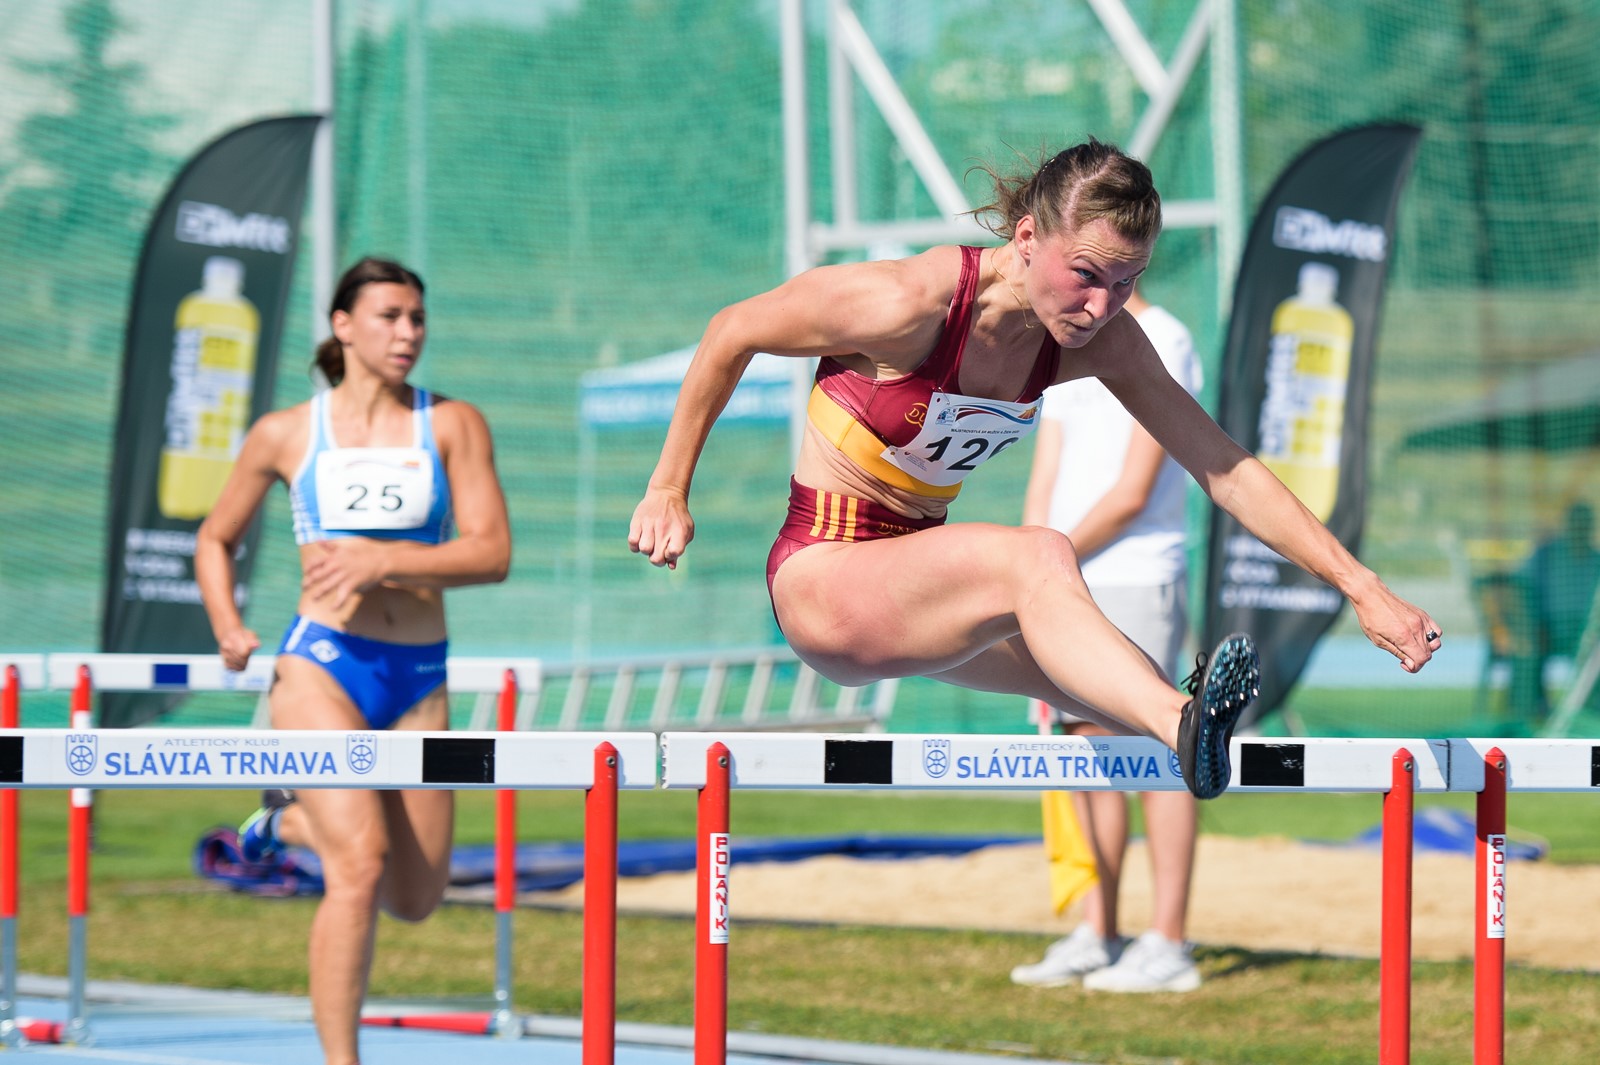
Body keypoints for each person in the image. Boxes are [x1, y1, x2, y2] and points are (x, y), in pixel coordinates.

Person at [628, 139, 1441, 803]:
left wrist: (1362, 586)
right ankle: (1184, 725)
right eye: (1086, 274)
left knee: (1107, 675)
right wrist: (669, 486)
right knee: (1039, 555)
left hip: (914, 589)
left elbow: (1223, 465)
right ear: (1026, 238)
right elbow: (732, 330)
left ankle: (1173, 762)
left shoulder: (1101, 342)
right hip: (821, 577)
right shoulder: (904, 302)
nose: (1102, 307)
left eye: (1128, 283)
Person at [195, 256, 511, 1065]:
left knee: (417, 896)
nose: (408, 333)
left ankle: (285, 820)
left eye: (417, 318)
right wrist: (228, 625)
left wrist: (383, 559)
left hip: (418, 676)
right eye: (389, 316)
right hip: (321, 666)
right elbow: (215, 538)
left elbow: (491, 552)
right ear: (343, 325)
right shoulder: (286, 433)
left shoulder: (452, 424)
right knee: (360, 864)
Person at [1009, 283, 1202, 992]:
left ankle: (1169, 942)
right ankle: (1100, 931)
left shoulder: (1168, 336)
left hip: (1135, 570)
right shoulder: (1065, 342)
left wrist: (1045, 561)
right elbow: (1046, 476)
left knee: (1161, 749)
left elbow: (1131, 494)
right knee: (1086, 751)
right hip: (1061, 577)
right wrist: (1025, 573)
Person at [1509, 501, 1600, 721]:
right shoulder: (1546, 555)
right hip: (1546, 629)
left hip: (1587, 634)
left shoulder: (1596, 560)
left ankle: (1589, 709)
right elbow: (1519, 588)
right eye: (1576, 523)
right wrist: (1532, 624)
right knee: (1528, 650)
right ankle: (1528, 712)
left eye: (1585, 524)